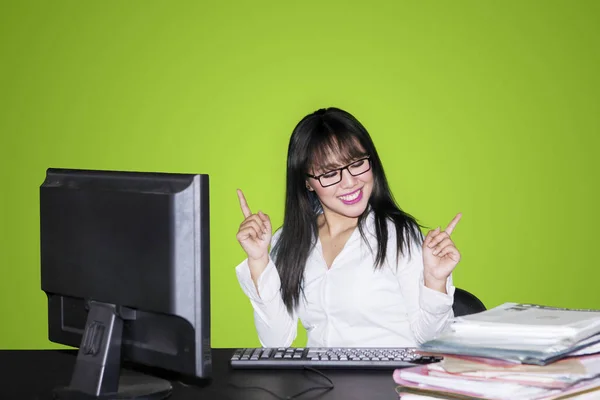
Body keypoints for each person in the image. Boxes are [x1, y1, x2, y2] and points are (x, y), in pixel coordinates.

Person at [234, 107, 461, 348]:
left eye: (357, 163)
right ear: (308, 183)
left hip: (388, 380)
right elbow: (276, 342)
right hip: (320, 381)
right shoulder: (290, 241)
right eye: (330, 173)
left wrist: (436, 281)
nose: (350, 182)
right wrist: (259, 261)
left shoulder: (397, 234)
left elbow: (432, 340)